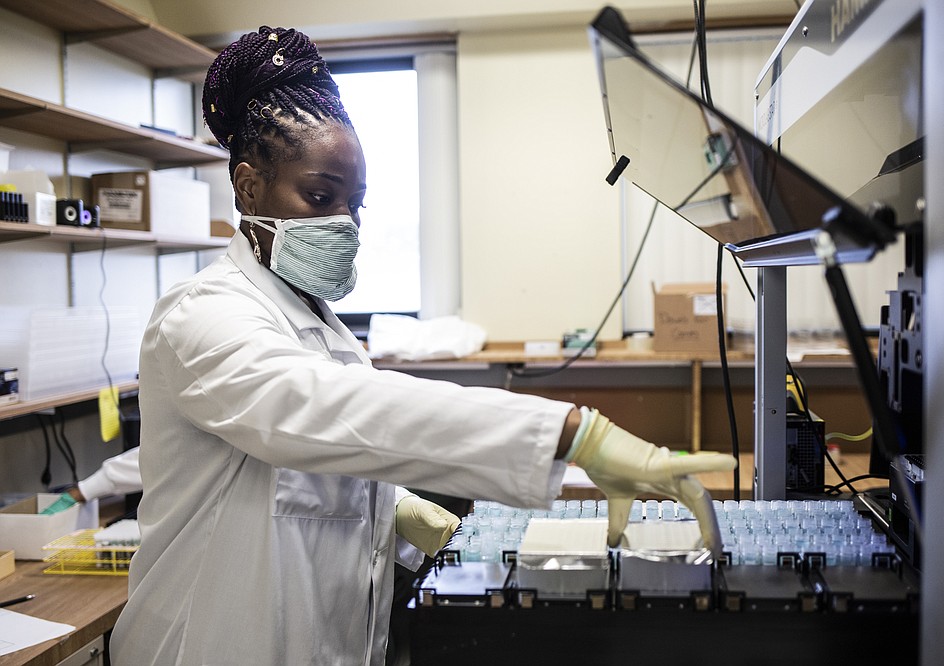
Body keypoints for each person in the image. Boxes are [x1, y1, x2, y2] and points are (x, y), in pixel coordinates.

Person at [109, 26, 736, 666]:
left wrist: (403, 514)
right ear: (248, 188)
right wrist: (575, 434)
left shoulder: (319, 324)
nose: (344, 224)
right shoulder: (201, 316)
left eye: (355, 204)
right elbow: (317, 411)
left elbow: (318, 472)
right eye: (320, 196)